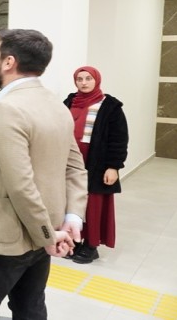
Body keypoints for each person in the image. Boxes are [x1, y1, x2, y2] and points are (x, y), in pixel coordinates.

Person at [0, 29, 88, 319]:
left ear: (8, 62)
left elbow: (20, 184)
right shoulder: (56, 104)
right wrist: (72, 218)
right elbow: (76, 167)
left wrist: (46, 235)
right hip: (46, 229)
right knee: (30, 308)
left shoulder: (8, 109)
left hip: (3, 238)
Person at [64, 66, 128, 264]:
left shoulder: (110, 106)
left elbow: (119, 139)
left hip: (96, 163)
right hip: (69, 161)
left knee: (93, 204)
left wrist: (113, 166)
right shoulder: (69, 102)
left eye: (88, 78)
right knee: (71, 200)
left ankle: (91, 245)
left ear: (96, 80)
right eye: (80, 79)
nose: (84, 83)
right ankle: (74, 240)